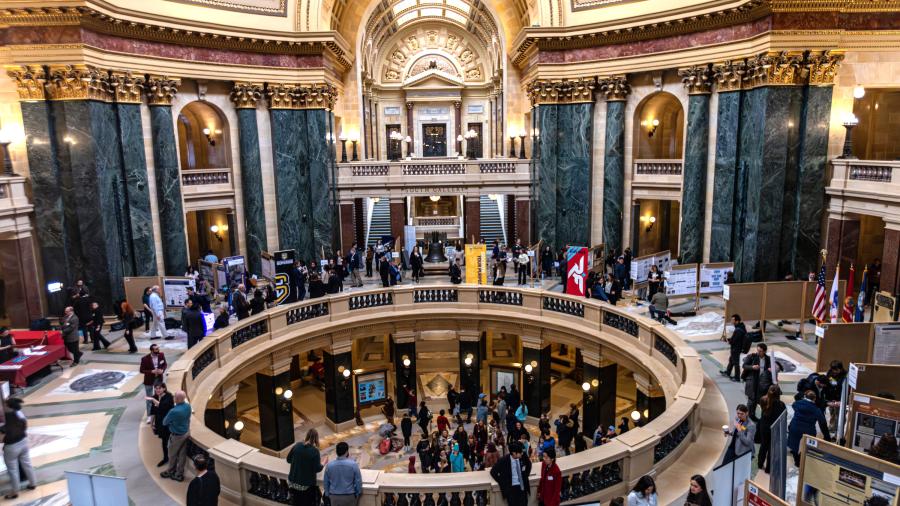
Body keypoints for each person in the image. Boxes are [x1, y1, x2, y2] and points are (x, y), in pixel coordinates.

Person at [1, 397, 37, 499]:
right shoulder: (20, 413)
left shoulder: (6, 418)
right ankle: (33, 483)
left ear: (8, 406)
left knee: (13, 470)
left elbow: (2, 436)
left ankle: (15, 492)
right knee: (27, 464)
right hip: (24, 441)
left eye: (5, 404)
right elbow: (25, 426)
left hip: (11, 447)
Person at [787, 390, 831, 465]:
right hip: (808, 431)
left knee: (795, 445)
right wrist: (827, 437)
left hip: (795, 428)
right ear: (814, 399)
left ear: (805, 397)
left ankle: (796, 462)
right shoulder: (816, 410)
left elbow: (794, 405)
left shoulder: (797, 404)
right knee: (805, 449)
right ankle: (803, 464)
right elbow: (822, 422)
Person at [287, 429, 325, 505]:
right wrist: (323, 463)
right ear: (316, 439)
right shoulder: (315, 451)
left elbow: (288, 460)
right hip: (305, 485)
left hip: (292, 482)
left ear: (306, 436)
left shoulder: (297, 445)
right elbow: (317, 468)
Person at [160, 391, 191, 482]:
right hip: (185, 433)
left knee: (172, 454)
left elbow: (164, 422)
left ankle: (170, 471)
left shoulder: (173, 411)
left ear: (177, 399)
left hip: (176, 436)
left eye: (174, 397)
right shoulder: (188, 406)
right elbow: (188, 418)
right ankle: (179, 474)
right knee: (182, 455)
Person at [490, 441, 531, 506]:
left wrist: (526, 475)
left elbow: (529, 465)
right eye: (520, 453)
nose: (522, 454)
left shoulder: (523, 457)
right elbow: (493, 472)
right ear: (514, 453)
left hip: (522, 488)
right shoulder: (504, 460)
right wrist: (502, 482)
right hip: (511, 490)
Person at [323, 441, 362, 506]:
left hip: (334, 497)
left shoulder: (329, 465)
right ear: (347, 452)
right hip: (349, 496)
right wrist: (357, 493)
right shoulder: (353, 464)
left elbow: (326, 482)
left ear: (336, 452)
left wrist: (327, 494)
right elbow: (358, 481)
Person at [742, 342, 774, 421]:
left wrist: (771, 369)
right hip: (753, 381)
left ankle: (754, 416)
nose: (758, 352)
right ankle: (748, 417)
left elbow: (775, 367)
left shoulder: (768, 359)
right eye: (758, 350)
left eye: (760, 351)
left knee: (760, 400)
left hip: (763, 383)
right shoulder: (752, 357)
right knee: (751, 401)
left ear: (764, 351)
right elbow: (744, 365)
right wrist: (752, 367)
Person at [757, 385, 785, 473]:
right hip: (774, 428)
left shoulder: (763, 400)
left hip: (764, 427)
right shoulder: (781, 404)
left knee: (763, 446)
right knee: (771, 448)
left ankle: (760, 464)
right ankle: (768, 469)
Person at [141, 343, 168, 422]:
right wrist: (151, 371)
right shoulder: (145, 359)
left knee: (159, 396)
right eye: (156, 349)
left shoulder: (161, 355)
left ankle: (159, 412)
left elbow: (165, 364)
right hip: (149, 380)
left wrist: (162, 370)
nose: (158, 350)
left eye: (158, 348)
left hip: (158, 379)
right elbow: (142, 370)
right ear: (152, 350)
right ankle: (149, 415)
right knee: (149, 397)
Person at [149, 382, 174, 467]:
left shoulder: (169, 397)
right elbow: (153, 411)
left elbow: (164, 407)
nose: (157, 390)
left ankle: (172, 460)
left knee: (169, 441)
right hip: (159, 422)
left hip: (168, 423)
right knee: (163, 441)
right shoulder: (155, 397)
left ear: (164, 388)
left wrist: (153, 400)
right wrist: (151, 423)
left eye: (159, 388)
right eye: (156, 388)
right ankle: (165, 458)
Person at [720, 314, 746, 382]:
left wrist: (728, 341)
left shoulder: (738, 330)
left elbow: (734, 340)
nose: (731, 321)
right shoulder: (741, 326)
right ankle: (728, 372)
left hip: (736, 348)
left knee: (736, 362)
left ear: (737, 321)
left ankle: (737, 377)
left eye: (733, 320)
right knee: (731, 360)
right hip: (737, 347)